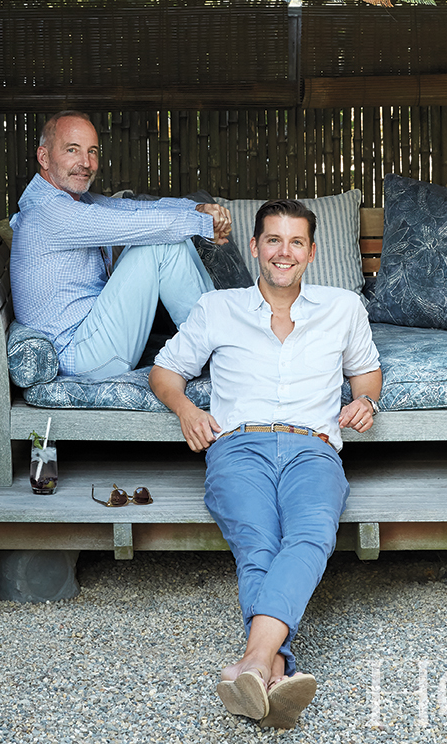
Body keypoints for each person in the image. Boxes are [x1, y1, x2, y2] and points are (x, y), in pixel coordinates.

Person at [149, 199, 382, 729]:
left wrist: (365, 402)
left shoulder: (343, 307)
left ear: (312, 253)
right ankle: (273, 667)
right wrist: (186, 410)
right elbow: (165, 371)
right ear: (255, 247)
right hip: (239, 448)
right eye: (273, 240)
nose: (284, 252)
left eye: (296, 242)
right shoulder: (218, 307)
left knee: (310, 534)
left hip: (312, 448)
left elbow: (368, 375)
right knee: (258, 542)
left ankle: (253, 665)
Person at [9, 110, 232, 380]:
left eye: (92, 152)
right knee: (159, 244)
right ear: (44, 157)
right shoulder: (48, 212)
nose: (86, 162)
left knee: (165, 237)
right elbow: (135, 225)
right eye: (72, 150)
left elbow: (131, 209)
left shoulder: (71, 199)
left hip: (94, 334)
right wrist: (203, 224)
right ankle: (225, 347)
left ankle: (222, 337)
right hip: (81, 357)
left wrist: (197, 209)